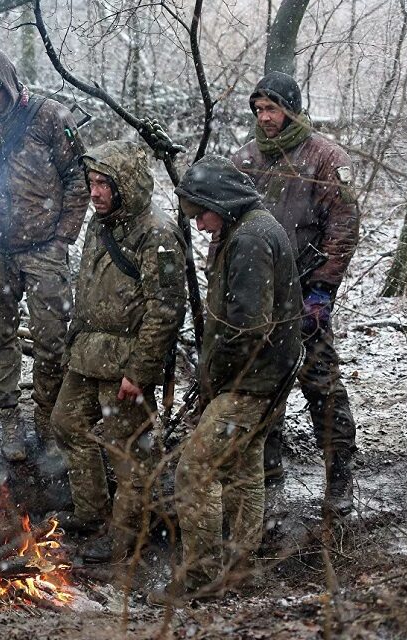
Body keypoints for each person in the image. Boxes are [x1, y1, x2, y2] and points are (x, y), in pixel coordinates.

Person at [151, 155, 301, 604]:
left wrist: (214, 381)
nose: (198, 226)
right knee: (244, 469)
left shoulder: (251, 238)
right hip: (266, 376)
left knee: (195, 470)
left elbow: (247, 328)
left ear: (221, 200)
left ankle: (199, 580)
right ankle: (240, 567)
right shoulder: (251, 227)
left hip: (251, 381)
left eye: (201, 214)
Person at [0, 43, 90, 462]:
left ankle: (46, 419)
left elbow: (77, 179)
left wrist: (63, 237)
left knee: (52, 340)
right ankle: (9, 418)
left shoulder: (50, 117)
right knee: (0, 336)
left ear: (9, 83)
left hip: (45, 247)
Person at [51, 141, 186, 562]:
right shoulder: (101, 223)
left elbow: (165, 310)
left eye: (104, 184)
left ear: (125, 185)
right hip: (88, 352)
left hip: (127, 361)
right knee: (67, 423)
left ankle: (128, 537)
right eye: (91, 183)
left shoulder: (158, 234)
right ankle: (91, 513)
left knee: (131, 453)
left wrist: (140, 371)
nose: (94, 193)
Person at [232, 72, 360, 515]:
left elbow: (343, 228)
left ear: (292, 108)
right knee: (264, 388)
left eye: (273, 109)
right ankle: (269, 479)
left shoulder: (325, 158)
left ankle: (339, 474)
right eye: (259, 109)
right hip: (259, 295)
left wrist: (322, 291)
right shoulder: (246, 160)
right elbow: (226, 227)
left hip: (306, 292)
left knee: (320, 383)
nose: (265, 118)